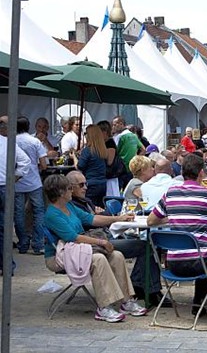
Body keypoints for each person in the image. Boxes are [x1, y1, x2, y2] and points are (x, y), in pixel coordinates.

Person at [43, 174, 147, 323]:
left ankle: (126, 301)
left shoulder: (69, 206)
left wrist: (117, 218)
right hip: (60, 255)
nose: (71, 191)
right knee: (98, 258)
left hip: (79, 249)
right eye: (69, 188)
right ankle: (104, 306)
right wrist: (102, 242)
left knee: (116, 255)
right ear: (60, 192)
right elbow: (73, 237)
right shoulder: (52, 214)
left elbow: (91, 219)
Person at [147, 154, 207, 315]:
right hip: (198, 262)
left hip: (173, 263)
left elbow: (151, 221)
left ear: (182, 172)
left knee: (206, 253)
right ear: (201, 173)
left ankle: (200, 303)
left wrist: (174, 216)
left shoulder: (171, 192)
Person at [66, 171, 165, 305]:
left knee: (145, 244)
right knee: (144, 246)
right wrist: (113, 219)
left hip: (104, 237)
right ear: (70, 188)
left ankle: (139, 286)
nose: (86, 187)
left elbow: (102, 214)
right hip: (96, 243)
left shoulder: (84, 201)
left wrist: (103, 216)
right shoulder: (72, 206)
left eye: (86, 183)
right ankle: (151, 292)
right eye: (81, 185)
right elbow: (90, 221)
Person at [0, 116, 31, 274]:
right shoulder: (8, 143)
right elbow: (26, 162)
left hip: (6, 185)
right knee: (5, 228)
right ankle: (7, 265)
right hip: (6, 186)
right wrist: (13, 178)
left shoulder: (9, 142)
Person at [14, 116, 48, 255]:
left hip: (17, 181)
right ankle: (38, 244)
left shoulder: (12, 141)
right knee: (38, 212)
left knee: (19, 213)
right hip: (34, 182)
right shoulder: (35, 141)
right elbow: (44, 165)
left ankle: (23, 244)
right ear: (29, 127)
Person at [74, 124, 110, 207]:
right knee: (100, 208)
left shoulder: (88, 150)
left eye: (86, 134)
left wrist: (74, 158)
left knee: (89, 207)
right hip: (102, 183)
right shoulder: (102, 150)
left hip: (91, 183)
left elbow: (80, 166)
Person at [112, 115, 145, 189]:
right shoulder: (133, 136)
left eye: (114, 125)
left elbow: (114, 151)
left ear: (121, 124)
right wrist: (136, 158)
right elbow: (143, 149)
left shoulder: (120, 137)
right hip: (131, 167)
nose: (113, 127)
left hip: (121, 168)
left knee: (120, 189)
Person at [96, 120, 120, 197]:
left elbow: (110, 161)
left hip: (110, 177)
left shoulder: (110, 144)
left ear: (105, 132)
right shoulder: (103, 143)